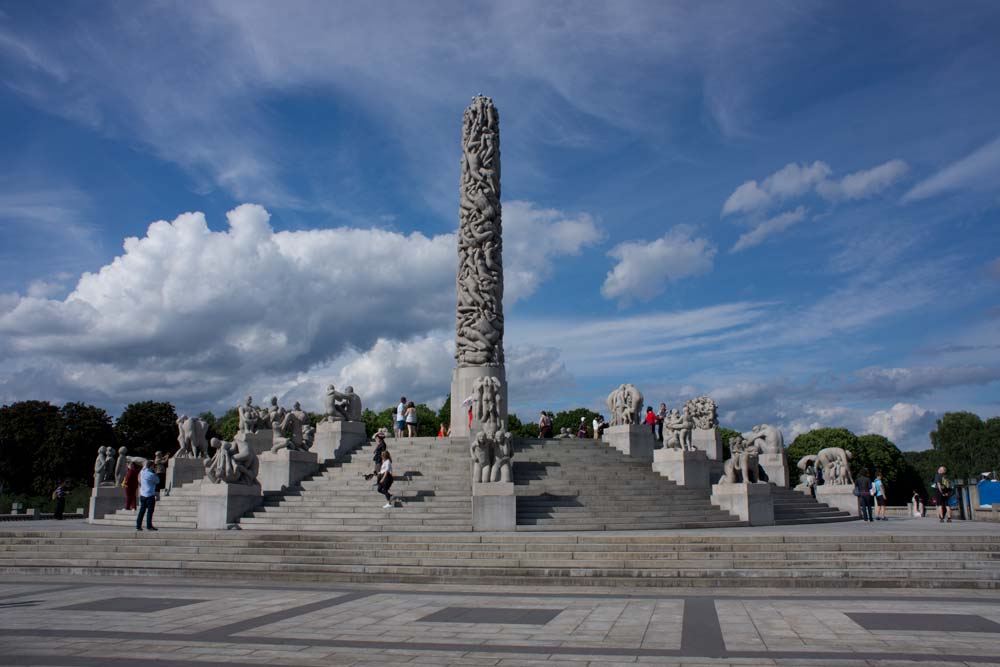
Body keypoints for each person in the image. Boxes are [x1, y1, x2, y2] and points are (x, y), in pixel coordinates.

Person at [136, 460, 160, 531]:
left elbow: (144, 468)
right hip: (150, 495)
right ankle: (149, 526)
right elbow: (157, 481)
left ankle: (138, 525)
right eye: (153, 466)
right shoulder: (151, 474)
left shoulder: (142, 472)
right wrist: (155, 472)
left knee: (142, 511)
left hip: (143, 494)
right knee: (150, 511)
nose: (154, 467)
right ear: (151, 466)